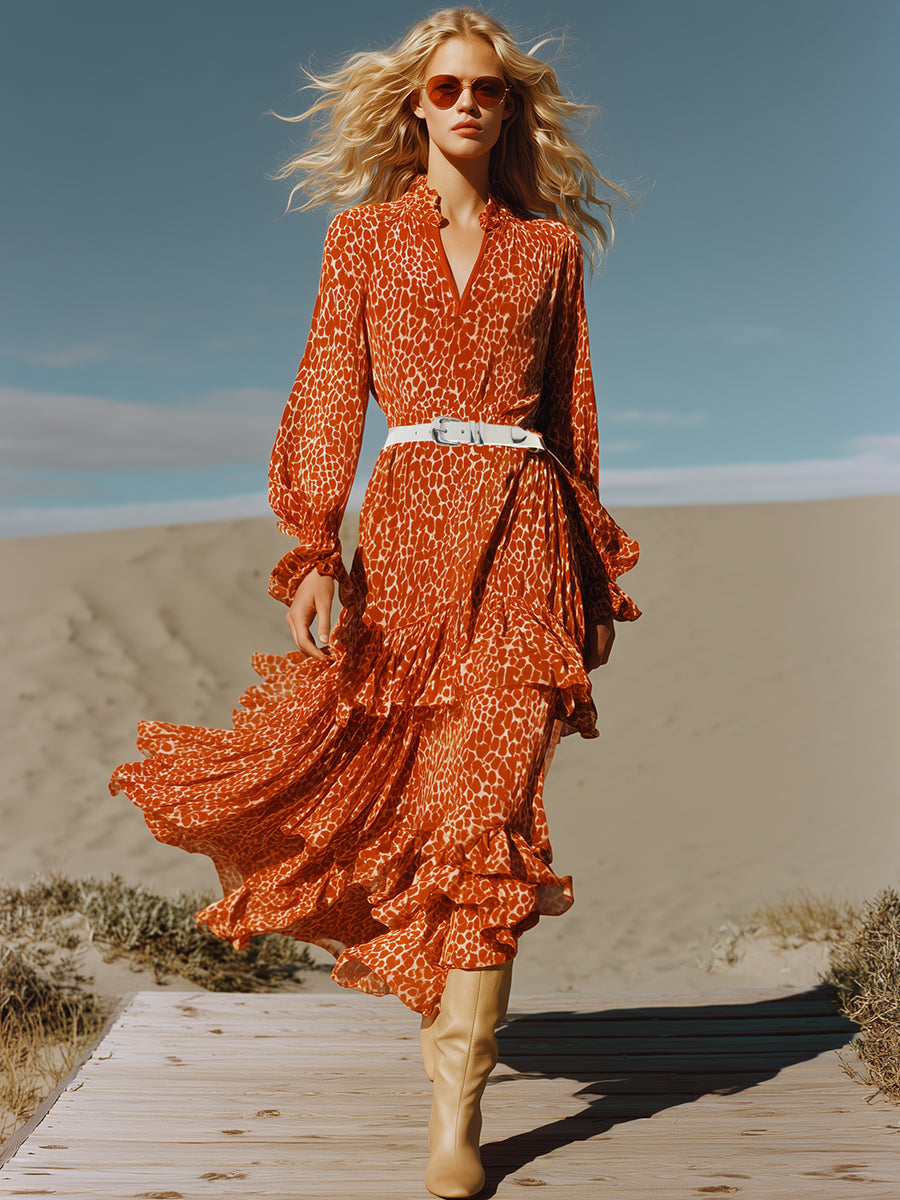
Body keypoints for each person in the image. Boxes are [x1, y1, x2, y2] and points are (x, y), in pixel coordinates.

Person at [110, 7, 640, 1197]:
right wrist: (311, 549)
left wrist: (593, 573)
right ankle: (436, 1029)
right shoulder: (362, 240)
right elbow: (325, 393)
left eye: (487, 91)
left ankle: (458, 1105)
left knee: (491, 812)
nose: (466, 104)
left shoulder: (550, 251)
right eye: (446, 87)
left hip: (523, 540)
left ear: (509, 107)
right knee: (398, 795)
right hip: (402, 549)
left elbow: (575, 420)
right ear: (415, 101)